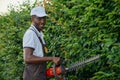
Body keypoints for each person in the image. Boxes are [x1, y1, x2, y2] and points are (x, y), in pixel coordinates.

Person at [23, 7, 60, 80]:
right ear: (32, 19)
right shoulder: (30, 33)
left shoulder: (39, 34)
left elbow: (39, 57)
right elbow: (28, 58)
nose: (42, 21)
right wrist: (51, 58)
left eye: (44, 18)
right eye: (39, 19)